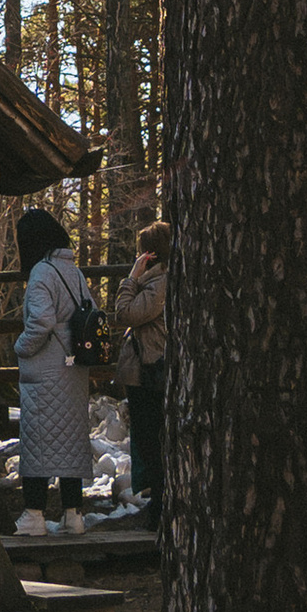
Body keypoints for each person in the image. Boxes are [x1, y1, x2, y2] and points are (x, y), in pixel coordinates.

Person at [13, 208, 94, 535]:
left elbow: (42, 322)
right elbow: (92, 311)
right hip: (73, 369)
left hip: (45, 372)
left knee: (37, 441)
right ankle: (73, 514)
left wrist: (21, 347)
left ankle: (34, 514)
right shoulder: (73, 271)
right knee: (70, 441)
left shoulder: (41, 274)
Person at [113, 221, 170, 523]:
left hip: (150, 372)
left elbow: (125, 313)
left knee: (152, 442)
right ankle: (157, 501)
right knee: (150, 441)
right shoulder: (158, 283)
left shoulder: (157, 284)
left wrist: (132, 277)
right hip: (147, 371)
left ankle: (159, 506)